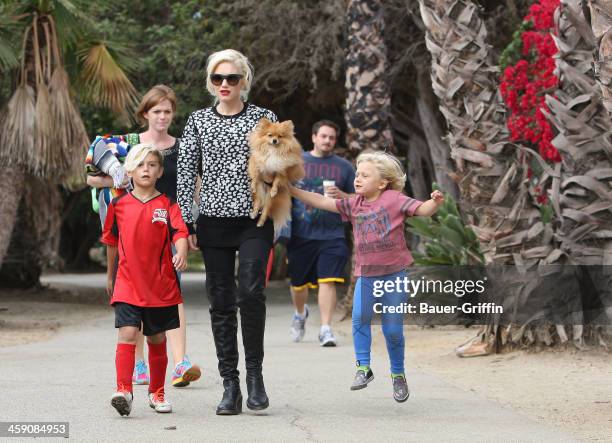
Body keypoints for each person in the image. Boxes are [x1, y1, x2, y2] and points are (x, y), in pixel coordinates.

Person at [289, 150, 444, 402]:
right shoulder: (353, 204)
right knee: (360, 318)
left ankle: (398, 374)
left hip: (394, 276)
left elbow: (423, 210)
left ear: (382, 183)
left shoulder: (394, 199)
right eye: (357, 174)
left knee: (392, 330)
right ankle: (363, 368)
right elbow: (320, 201)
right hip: (367, 276)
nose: (357, 179)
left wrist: (435, 202)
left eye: (364, 175)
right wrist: (291, 190)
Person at [177, 49, 277, 415]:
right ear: (210, 82)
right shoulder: (198, 121)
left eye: (231, 78)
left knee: (251, 291)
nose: (224, 85)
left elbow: (282, 162)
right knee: (220, 302)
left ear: (244, 82)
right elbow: (186, 173)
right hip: (214, 222)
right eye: (217, 78)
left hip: (256, 218)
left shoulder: (265, 117)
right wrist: (186, 223)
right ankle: (230, 385)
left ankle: (255, 377)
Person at [86, 85, 201, 388]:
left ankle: (180, 362)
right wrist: (118, 173)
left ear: (173, 114)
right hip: (133, 226)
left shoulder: (182, 145)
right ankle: (138, 364)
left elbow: (193, 185)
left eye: (167, 111)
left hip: (168, 222)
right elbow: (90, 174)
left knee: (172, 291)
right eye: (156, 111)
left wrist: (191, 225)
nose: (162, 116)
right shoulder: (128, 144)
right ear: (145, 113)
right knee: (135, 294)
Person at [102, 144, 189, 416]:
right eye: (140, 165)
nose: (146, 169)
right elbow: (111, 243)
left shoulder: (167, 204)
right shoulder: (118, 205)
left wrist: (183, 251)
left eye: (152, 164)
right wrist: (110, 275)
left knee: (156, 338)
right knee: (127, 333)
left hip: (160, 285)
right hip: (127, 282)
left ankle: (157, 392)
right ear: (129, 170)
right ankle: (124, 391)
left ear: (160, 171)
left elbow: (179, 232)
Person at [286, 120, 355, 346]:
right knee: (298, 285)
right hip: (301, 234)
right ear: (314, 137)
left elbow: (359, 199)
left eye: (332, 138)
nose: (327, 141)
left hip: (333, 234)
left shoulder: (344, 167)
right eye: (323, 136)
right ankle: (300, 314)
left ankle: (326, 328)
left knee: (328, 280)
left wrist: (342, 194)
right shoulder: (296, 162)